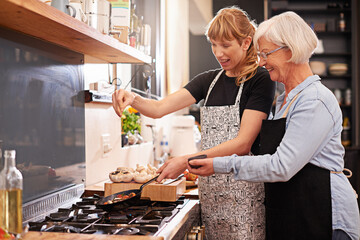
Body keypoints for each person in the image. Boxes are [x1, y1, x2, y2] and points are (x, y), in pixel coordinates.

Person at [187, 11, 360, 240]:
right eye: (259, 54)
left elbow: (281, 166)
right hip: (297, 211)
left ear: (291, 49)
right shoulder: (283, 100)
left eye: (266, 54)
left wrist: (219, 164)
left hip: (326, 217)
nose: (261, 62)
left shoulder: (314, 100)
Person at [112, 6, 275, 239]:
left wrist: (185, 161)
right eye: (214, 45)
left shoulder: (260, 79)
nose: (218, 53)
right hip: (211, 196)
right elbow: (158, 109)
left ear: (246, 42)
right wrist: (132, 99)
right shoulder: (208, 81)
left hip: (245, 196)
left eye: (226, 45)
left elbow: (242, 144)